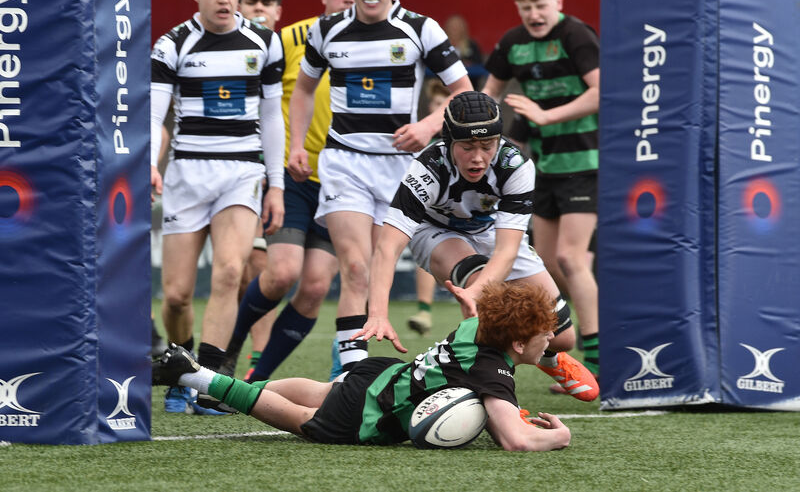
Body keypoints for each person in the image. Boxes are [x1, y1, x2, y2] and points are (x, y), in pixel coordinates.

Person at [356, 91, 598, 402]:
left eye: (487, 146)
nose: (479, 157)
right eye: (467, 147)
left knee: (562, 336)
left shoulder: (516, 165)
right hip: (436, 232)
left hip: (491, 233)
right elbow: (387, 247)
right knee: (482, 292)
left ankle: (550, 358)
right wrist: (377, 312)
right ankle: (490, 394)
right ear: (448, 142)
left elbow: (507, 250)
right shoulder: (428, 167)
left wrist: (477, 291)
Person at [287, 0, 472, 376]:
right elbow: (303, 90)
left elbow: (463, 91)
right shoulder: (326, 30)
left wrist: (427, 126)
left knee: (384, 266)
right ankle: (352, 380)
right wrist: (296, 146)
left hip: (399, 167)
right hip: (344, 162)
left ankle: (474, 359)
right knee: (356, 268)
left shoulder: (421, 29)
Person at [153, 280, 571, 451]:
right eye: (544, 334)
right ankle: (195, 375)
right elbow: (515, 440)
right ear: (516, 342)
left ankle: (225, 390)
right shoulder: (493, 370)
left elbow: (475, 322)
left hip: (383, 374)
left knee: (319, 391)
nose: (551, 340)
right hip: (375, 412)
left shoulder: (478, 327)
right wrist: (559, 437)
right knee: (305, 420)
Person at [150, 0, 286, 413]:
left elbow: (271, 115)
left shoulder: (265, 42)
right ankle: (180, 367)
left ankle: (208, 385)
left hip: (241, 171)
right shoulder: (173, 45)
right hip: (186, 173)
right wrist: (151, 163)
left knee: (230, 271)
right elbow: (154, 115)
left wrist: (277, 183)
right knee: (176, 296)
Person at [224, 0, 354, 383]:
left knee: (315, 287)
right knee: (281, 272)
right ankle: (225, 352)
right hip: (293, 177)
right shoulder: (291, 39)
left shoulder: (383, 44)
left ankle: (253, 382)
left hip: (345, 182)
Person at [482, 0, 600, 383]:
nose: (534, 14)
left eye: (542, 5)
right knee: (548, 263)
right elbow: (489, 95)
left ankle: (596, 350)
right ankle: (590, 322)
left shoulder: (576, 35)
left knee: (570, 257)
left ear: (558, 1)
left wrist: (546, 115)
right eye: (526, 6)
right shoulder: (513, 42)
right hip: (543, 168)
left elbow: (603, 91)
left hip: (585, 162)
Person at [231, 0, 285, 379]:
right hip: (236, 171)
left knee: (264, 265)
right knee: (241, 267)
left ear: (279, 12)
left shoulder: (290, 51)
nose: (260, 9)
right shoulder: (227, 52)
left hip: (282, 177)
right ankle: (227, 347)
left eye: (267, 3)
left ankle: (256, 361)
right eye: (251, 2)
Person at [406, 79, 451, 337]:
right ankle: (423, 311)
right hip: (422, 209)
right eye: (435, 105)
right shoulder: (420, 139)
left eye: (443, 106)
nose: (439, 111)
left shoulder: (466, 147)